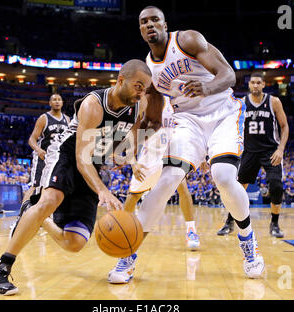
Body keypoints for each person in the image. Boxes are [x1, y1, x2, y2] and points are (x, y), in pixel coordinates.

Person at [107, 6, 265, 284]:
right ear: (141, 30)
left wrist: (206, 88)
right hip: (187, 121)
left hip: (222, 113)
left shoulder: (188, 40)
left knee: (224, 176)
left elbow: (229, 75)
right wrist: (129, 143)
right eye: (144, 22)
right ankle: (129, 256)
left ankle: (248, 242)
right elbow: (153, 118)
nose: (150, 24)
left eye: (155, 19)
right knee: (166, 180)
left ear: (165, 24)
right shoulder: (149, 70)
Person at [0, 59, 163, 295]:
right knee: (50, 200)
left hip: (94, 163)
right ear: (121, 80)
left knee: (75, 243)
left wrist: (131, 160)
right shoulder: (93, 104)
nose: (141, 93)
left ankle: (32, 210)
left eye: (145, 88)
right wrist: (102, 190)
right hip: (67, 154)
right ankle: (0, 269)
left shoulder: (137, 106)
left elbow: (126, 142)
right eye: (138, 86)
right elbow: (81, 159)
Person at [217, 73, 289, 238]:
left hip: (271, 150)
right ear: (249, 85)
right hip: (249, 151)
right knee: (236, 189)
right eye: (253, 83)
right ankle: (229, 221)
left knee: (276, 185)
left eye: (258, 83)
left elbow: (284, 126)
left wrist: (280, 149)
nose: (255, 85)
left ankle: (275, 224)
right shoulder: (242, 103)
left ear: (264, 84)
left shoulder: (274, 102)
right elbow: (233, 127)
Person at [123, 95, 199, 249]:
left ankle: (191, 230)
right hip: (150, 154)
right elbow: (132, 133)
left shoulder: (177, 100)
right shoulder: (146, 100)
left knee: (182, 188)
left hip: (172, 152)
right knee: (134, 196)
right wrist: (133, 163)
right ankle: (122, 228)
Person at [10, 94, 70, 236]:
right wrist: (38, 150)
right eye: (54, 99)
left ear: (62, 102)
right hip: (43, 157)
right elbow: (32, 138)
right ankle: (20, 218)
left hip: (58, 159)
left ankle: (47, 220)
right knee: (35, 186)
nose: (57, 101)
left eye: (59, 99)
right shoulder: (44, 118)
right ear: (50, 103)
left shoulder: (68, 120)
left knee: (51, 188)